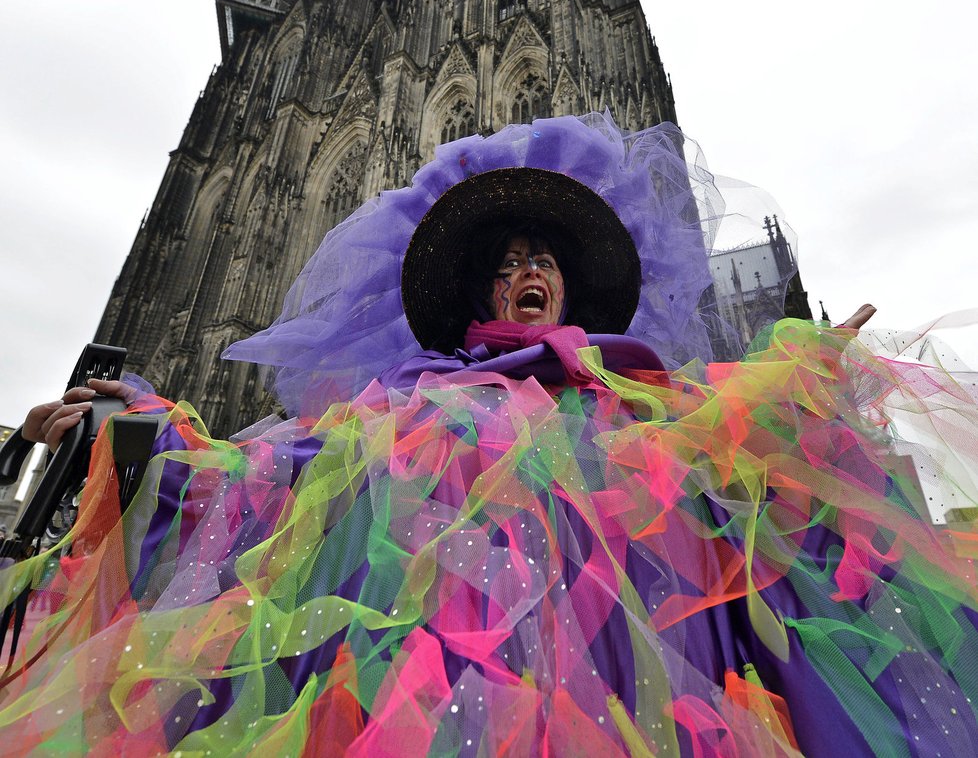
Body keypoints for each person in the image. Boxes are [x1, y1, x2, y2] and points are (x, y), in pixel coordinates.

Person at [6, 113, 978, 756]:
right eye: (512, 258)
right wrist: (145, 436)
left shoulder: (631, 388)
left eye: (544, 257)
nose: (530, 267)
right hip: (446, 670)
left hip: (621, 665)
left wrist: (792, 388)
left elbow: (719, 465)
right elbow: (284, 479)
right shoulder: (419, 397)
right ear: (485, 288)